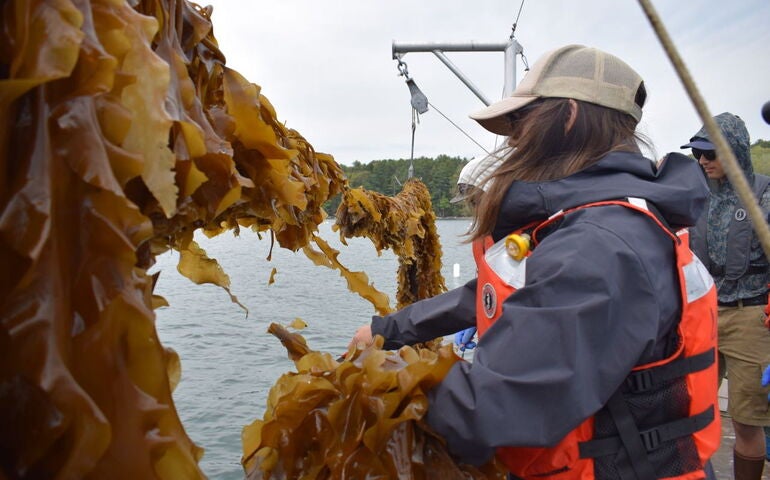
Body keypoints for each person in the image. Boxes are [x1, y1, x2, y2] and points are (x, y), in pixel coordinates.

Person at [350, 44, 720, 479]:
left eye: (522, 122)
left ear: (566, 117)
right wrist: (387, 331)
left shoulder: (598, 245)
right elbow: (494, 295)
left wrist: (372, 382)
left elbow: (491, 409)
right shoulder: (599, 220)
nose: (513, 140)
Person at [682, 112, 770, 479]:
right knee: (684, 411)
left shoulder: (764, 195)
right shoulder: (694, 197)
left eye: (711, 153)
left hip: (751, 315)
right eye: (698, 154)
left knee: (748, 421)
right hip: (702, 316)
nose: (703, 161)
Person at [450, 152, 504, 355]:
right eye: (471, 204)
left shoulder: (525, 237)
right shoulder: (484, 236)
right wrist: (474, 317)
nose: (475, 210)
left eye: (475, 202)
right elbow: (483, 286)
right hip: (490, 345)